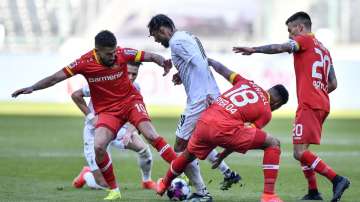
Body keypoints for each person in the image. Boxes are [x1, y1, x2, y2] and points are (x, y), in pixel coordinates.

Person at [11, 30, 178, 200]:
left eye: (114, 52)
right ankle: (112, 189)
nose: (113, 56)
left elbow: (149, 56)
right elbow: (56, 78)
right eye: (109, 54)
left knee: (149, 137)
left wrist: (161, 61)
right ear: (97, 51)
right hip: (106, 112)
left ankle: (175, 170)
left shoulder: (122, 53)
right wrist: (33, 87)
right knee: (98, 147)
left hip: (129, 104)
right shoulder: (84, 62)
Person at [232, 11, 350, 202]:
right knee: (302, 150)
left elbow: (281, 47)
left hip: (309, 105)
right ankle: (313, 192)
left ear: (300, 28)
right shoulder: (324, 49)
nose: (289, 35)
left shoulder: (304, 41)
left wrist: (254, 49)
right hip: (321, 104)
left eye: (290, 30)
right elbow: (333, 83)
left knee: (299, 152)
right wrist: (318, 92)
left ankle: (337, 179)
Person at [156, 58, 289, 202]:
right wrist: (223, 155)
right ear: (277, 103)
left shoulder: (246, 82)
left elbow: (222, 69)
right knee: (273, 143)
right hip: (224, 128)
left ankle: (164, 184)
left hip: (204, 121)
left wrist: (207, 60)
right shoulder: (266, 112)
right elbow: (246, 133)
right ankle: (269, 196)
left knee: (187, 156)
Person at [148, 14, 240, 201]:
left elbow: (198, 62)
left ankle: (201, 192)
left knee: (181, 146)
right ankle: (225, 174)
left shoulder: (176, 42)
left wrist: (205, 93)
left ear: (163, 29)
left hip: (200, 99)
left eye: (155, 35)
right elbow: (199, 61)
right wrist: (181, 75)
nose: (156, 40)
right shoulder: (188, 36)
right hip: (208, 94)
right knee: (197, 141)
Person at [71, 62, 156, 191]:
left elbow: (138, 114)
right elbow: (76, 95)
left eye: (135, 74)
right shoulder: (103, 82)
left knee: (144, 150)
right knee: (104, 185)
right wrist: (91, 118)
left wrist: (129, 132)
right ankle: (87, 174)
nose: (131, 77)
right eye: (128, 73)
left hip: (118, 129)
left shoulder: (135, 87)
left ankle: (147, 181)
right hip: (95, 133)